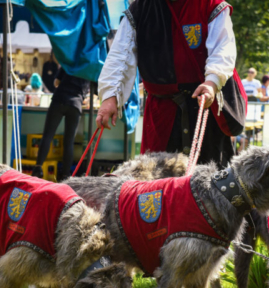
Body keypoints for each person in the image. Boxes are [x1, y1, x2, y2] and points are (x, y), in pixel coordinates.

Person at [96, 0, 247, 168]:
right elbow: (120, 55)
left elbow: (223, 50)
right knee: (156, 183)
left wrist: (212, 82)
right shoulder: (140, 9)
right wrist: (110, 97)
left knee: (209, 181)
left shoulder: (210, 5)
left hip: (204, 105)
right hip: (161, 113)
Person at [31, 68, 89, 180]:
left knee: (48, 135)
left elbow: (56, 83)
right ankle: (65, 176)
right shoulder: (90, 68)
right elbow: (93, 90)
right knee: (69, 142)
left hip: (59, 99)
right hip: (76, 104)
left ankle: (38, 168)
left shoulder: (68, 60)